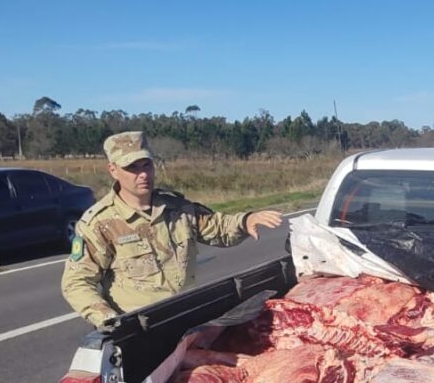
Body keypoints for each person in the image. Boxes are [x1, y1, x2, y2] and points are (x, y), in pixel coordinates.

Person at [61, 132, 284, 327]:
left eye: (146, 164)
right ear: (113, 170)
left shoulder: (178, 209)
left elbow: (217, 227)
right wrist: (107, 319)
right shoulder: (100, 224)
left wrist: (245, 221)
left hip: (187, 317)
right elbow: (76, 282)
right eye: (132, 168)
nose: (143, 174)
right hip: (138, 328)